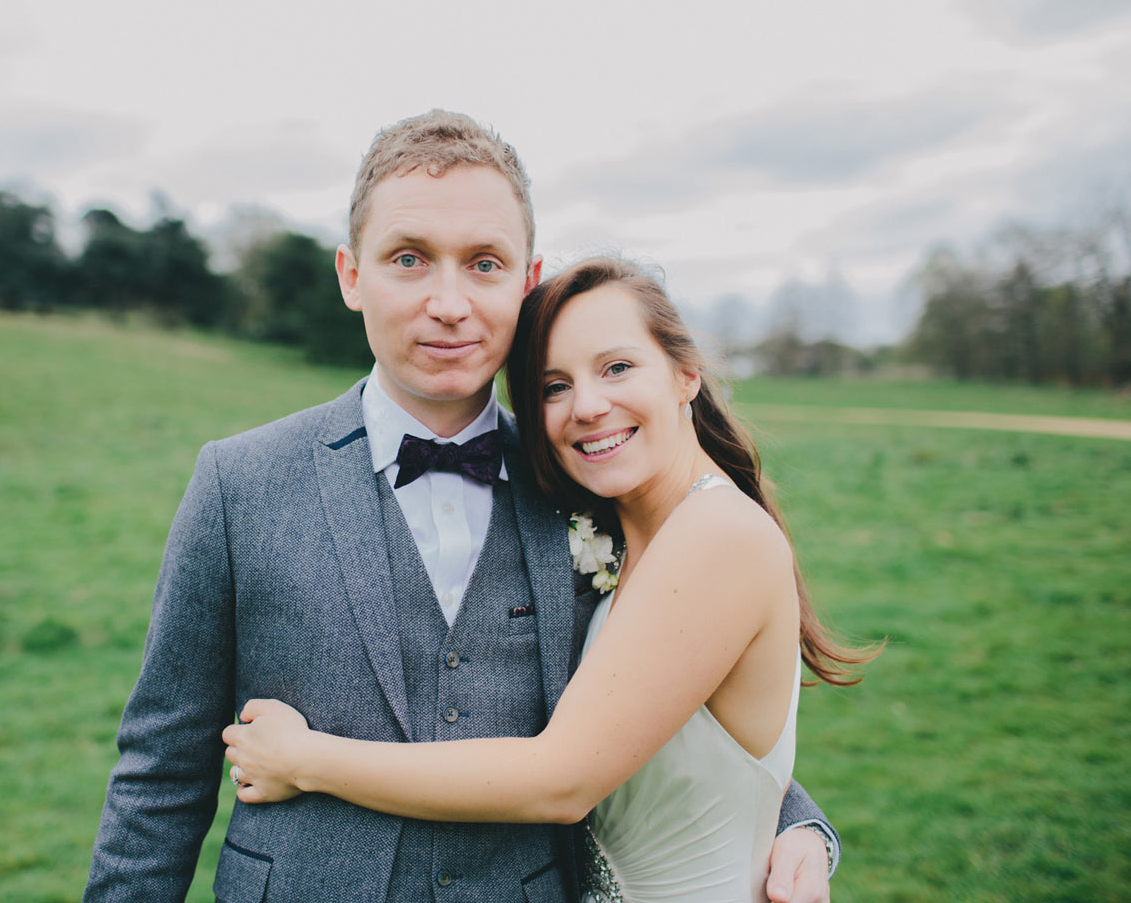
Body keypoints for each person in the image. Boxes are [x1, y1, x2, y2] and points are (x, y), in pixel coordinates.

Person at [83, 111, 840, 902]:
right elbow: (159, 772)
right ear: (351, 275)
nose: (449, 302)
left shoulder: (591, 481)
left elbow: (670, 702)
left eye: (484, 264)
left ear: (525, 279)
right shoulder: (240, 485)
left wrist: (795, 822)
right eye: (409, 259)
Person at [222, 256, 874, 902]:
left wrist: (304, 760)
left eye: (617, 367)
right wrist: (803, 825)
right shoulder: (612, 530)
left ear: (685, 375)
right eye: (553, 386)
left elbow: (562, 779)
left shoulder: (719, 535)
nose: (588, 405)